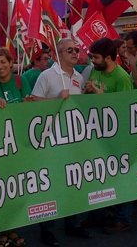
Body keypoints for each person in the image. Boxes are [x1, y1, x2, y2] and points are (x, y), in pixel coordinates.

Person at [31, 38, 91, 245]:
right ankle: (47, 230)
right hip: (51, 139)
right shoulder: (47, 76)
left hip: (73, 138)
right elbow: (33, 104)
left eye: (77, 49)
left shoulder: (78, 78)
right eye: (70, 50)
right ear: (59, 55)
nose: (75, 53)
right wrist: (56, 100)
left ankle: (72, 223)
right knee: (51, 184)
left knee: (73, 180)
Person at [84, 38, 134, 233]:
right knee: (98, 176)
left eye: (95, 57)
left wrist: (97, 94)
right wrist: (88, 92)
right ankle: (98, 214)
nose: (92, 61)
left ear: (108, 58)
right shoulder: (96, 71)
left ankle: (123, 218)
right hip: (97, 134)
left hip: (117, 136)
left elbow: (123, 109)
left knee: (121, 176)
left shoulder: (121, 78)